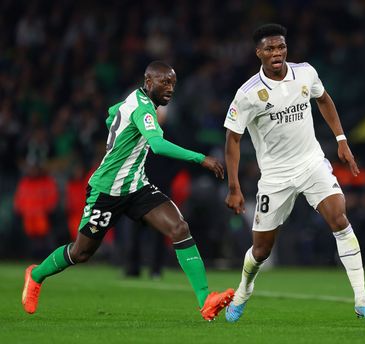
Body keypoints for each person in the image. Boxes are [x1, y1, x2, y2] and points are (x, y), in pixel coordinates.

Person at [22, 61, 234, 321]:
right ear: (148, 82)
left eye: (173, 84)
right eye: (164, 82)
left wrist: (116, 123)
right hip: (107, 190)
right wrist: (201, 158)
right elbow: (156, 145)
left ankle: (206, 300)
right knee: (81, 252)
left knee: (179, 228)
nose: (170, 88)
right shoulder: (143, 108)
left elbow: (111, 113)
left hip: (136, 186)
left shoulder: (134, 101)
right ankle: (35, 275)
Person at [223, 24, 365, 323]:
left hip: (311, 163)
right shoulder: (247, 94)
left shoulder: (305, 72)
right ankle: (244, 289)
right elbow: (232, 138)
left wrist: (341, 140)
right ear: (258, 53)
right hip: (275, 175)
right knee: (261, 249)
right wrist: (234, 187)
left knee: (339, 218)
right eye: (269, 49)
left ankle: (362, 299)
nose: (277, 53)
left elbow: (323, 99)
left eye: (281, 47)